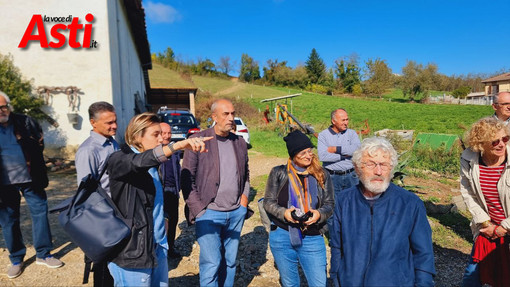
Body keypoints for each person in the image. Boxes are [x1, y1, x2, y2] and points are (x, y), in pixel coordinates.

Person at [106, 112, 210, 287]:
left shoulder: (154, 165)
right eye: (156, 135)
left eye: (161, 134)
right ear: (137, 136)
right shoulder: (120, 159)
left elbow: (155, 198)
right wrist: (177, 146)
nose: (161, 139)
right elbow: (138, 163)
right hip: (132, 252)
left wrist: (165, 217)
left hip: (157, 246)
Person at [330, 137, 435, 287]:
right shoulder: (344, 200)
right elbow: (336, 245)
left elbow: (424, 254)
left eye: (384, 165)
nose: (378, 171)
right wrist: (336, 277)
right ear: (357, 167)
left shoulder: (410, 204)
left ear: (391, 169)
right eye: (371, 164)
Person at [181, 98, 250, 287]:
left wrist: (243, 199)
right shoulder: (198, 141)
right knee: (211, 263)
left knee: (230, 261)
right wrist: (199, 209)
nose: (231, 118)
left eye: (233, 113)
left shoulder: (240, 143)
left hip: (236, 212)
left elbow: (245, 174)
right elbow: (186, 178)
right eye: (226, 114)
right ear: (214, 117)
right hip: (208, 213)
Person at [0, 90, 63, 279]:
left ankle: (43, 254)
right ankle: (16, 259)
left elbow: (39, 144)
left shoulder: (25, 121)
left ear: (9, 107)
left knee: (40, 214)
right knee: (9, 221)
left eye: (3, 106)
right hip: (4, 184)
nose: (1, 110)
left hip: (30, 179)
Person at [263, 130, 334, 287]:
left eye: (310, 151)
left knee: (319, 283)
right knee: (290, 283)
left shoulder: (322, 174)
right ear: (293, 155)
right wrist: (284, 213)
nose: (309, 155)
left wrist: (318, 214)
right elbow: (268, 202)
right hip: (282, 235)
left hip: (313, 236)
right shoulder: (278, 173)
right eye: (303, 153)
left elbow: (330, 204)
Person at [460, 117, 510, 287]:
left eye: (505, 139)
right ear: (480, 143)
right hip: (487, 228)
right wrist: (484, 222)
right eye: (494, 141)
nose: (501, 144)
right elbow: (467, 192)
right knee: (472, 277)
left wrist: (504, 227)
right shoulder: (469, 159)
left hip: (506, 226)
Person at [75, 101, 119, 286]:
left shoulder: (112, 142)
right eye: (109, 123)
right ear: (93, 123)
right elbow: (86, 192)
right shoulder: (88, 151)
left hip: (117, 211)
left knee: (115, 264)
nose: (114, 126)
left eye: (115, 121)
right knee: (102, 267)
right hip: (103, 216)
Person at [317, 108, 360, 284]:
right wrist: (345, 152)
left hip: (351, 176)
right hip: (332, 177)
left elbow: (357, 150)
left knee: (355, 208)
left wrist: (336, 149)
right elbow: (323, 156)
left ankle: (354, 237)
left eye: (347, 119)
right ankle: (336, 240)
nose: (346, 122)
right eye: (343, 120)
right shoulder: (323, 135)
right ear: (334, 120)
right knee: (332, 209)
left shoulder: (352, 133)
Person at [159, 122, 182, 258]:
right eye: (164, 133)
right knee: (162, 221)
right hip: (161, 191)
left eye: (169, 133)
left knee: (173, 220)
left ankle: (170, 247)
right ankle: (160, 249)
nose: (167, 136)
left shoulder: (174, 151)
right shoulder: (154, 151)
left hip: (173, 191)